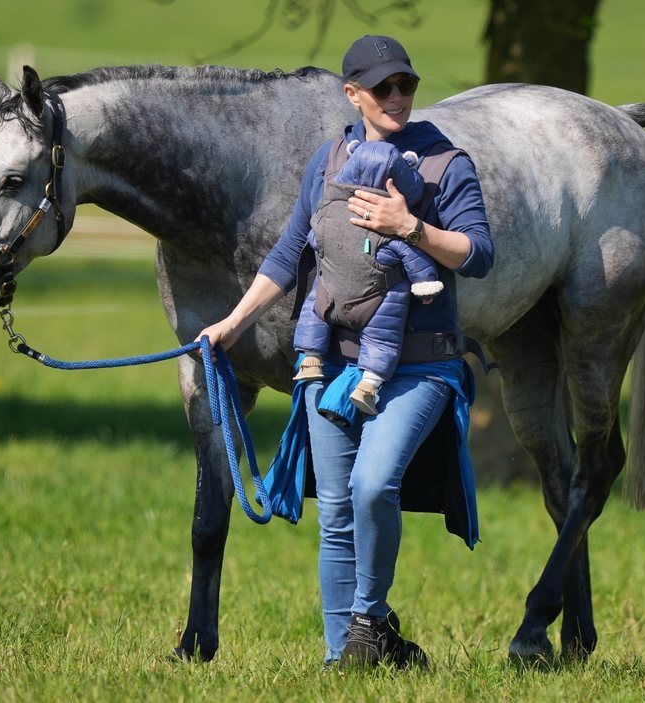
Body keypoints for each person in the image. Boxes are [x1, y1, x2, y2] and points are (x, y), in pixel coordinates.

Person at [196, 34, 493, 670]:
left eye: (406, 84)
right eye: (382, 87)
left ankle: (366, 619)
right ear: (351, 93)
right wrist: (231, 324)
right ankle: (345, 659)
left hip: (423, 365)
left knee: (371, 485)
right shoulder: (329, 159)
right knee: (333, 512)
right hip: (334, 366)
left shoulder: (446, 163)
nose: (397, 98)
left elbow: (480, 254)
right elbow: (288, 253)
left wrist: (410, 227)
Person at [292, 139, 445, 416]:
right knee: (383, 338)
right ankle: (369, 385)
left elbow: (313, 238)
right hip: (377, 300)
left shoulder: (329, 210)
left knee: (314, 310)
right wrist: (426, 284)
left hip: (331, 293)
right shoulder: (390, 224)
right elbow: (413, 257)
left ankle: (310, 358)